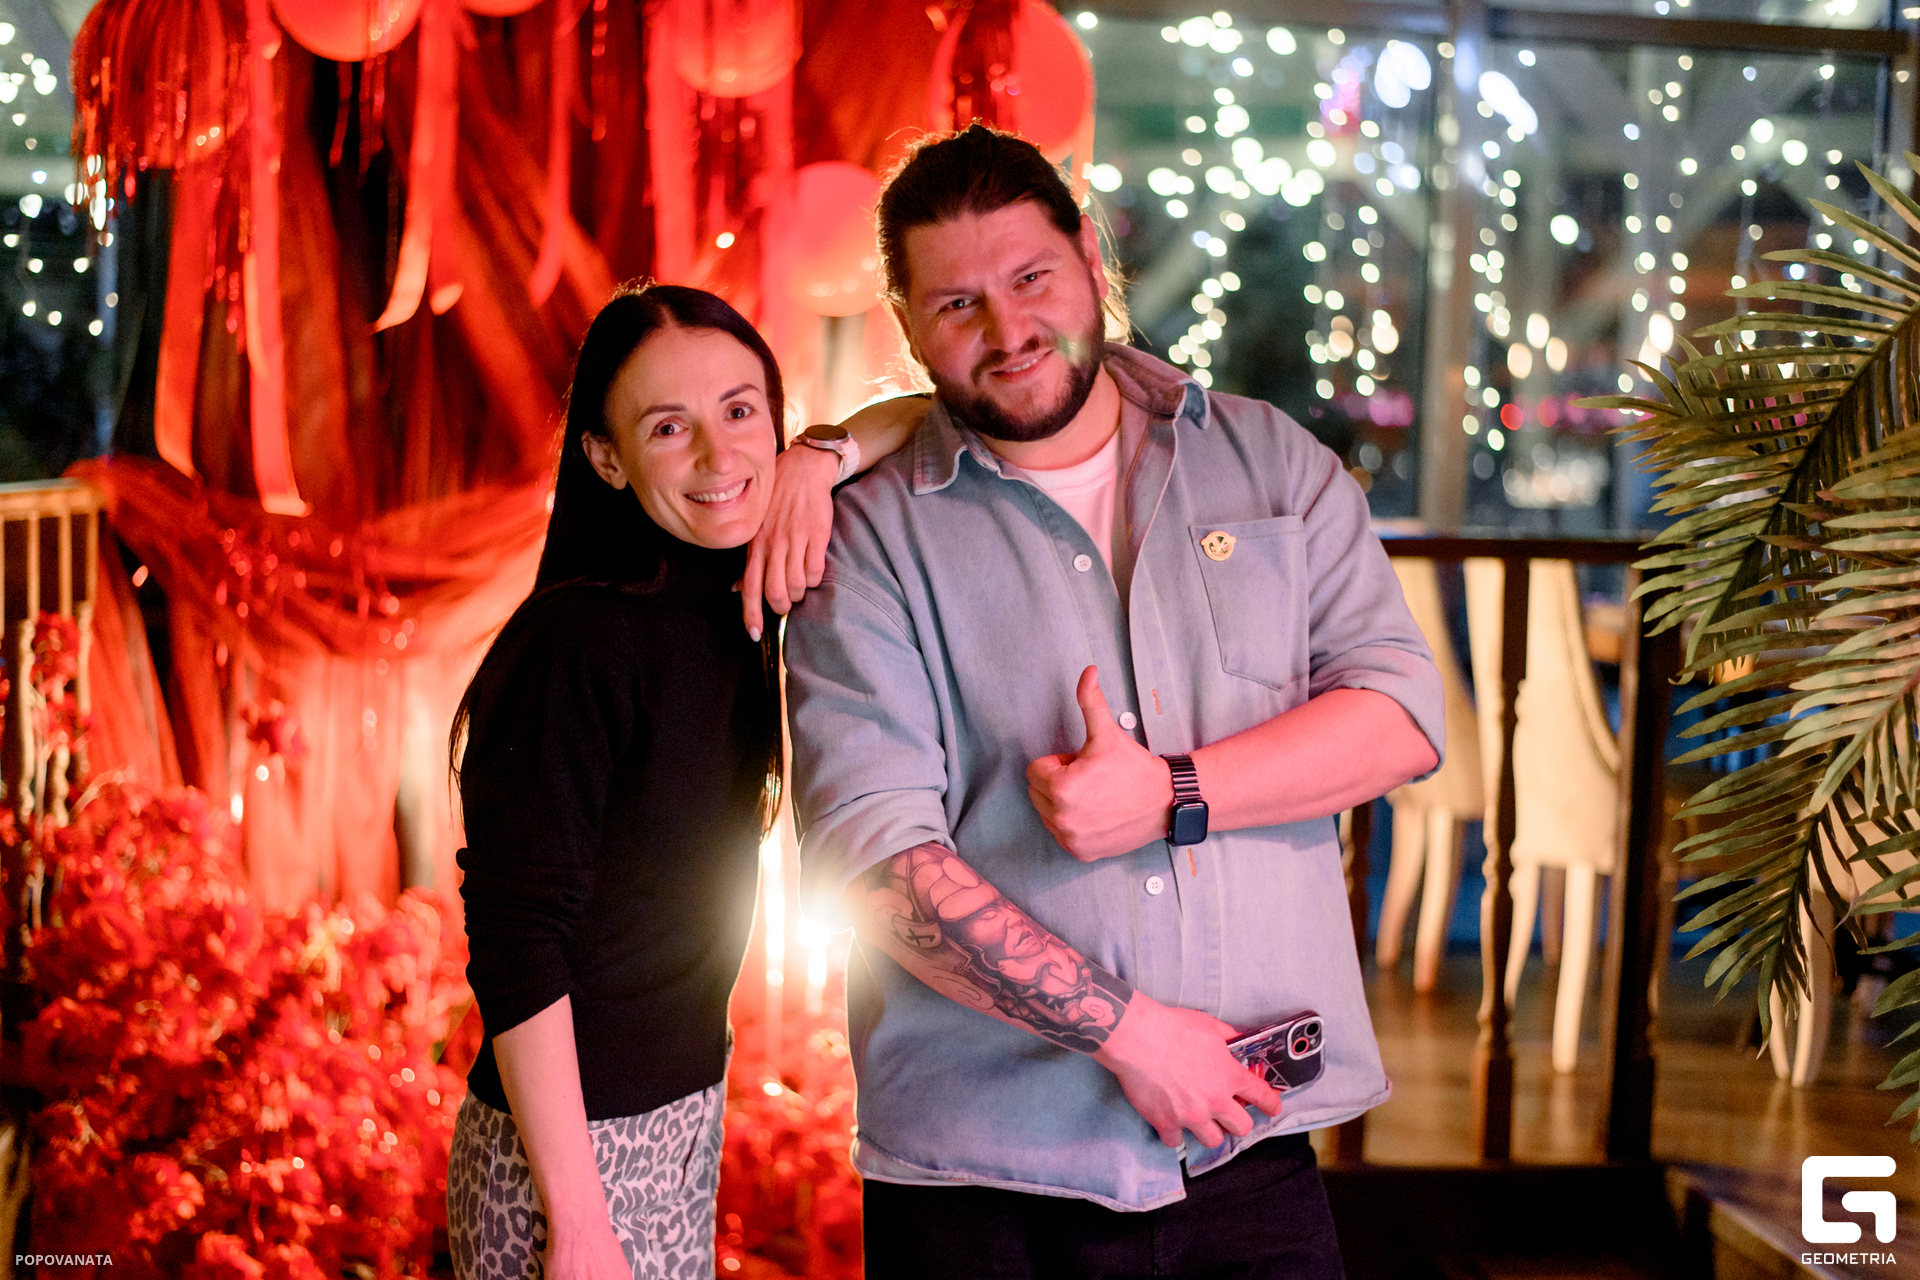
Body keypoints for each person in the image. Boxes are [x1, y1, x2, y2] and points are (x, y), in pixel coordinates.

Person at [783, 124, 1445, 1279]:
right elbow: (876, 864)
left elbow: (1397, 713)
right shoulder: (869, 534)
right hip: (984, 1180)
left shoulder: (1269, 461)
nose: (1007, 330)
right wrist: (1137, 1036)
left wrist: (1173, 791)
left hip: (1251, 1142)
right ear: (908, 327)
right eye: (956, 305)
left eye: (1031, 276)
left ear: (1090, 259)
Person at [447, 283, 790, 1280]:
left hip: (680, 1116)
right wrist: (578, 1219)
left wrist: (826, 456)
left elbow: (921, 426)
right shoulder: (579, 642)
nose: (720, 456)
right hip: (571, 1157)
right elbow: (517, 939)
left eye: (740, 410)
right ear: (606, 458)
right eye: (669, 427)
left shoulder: (741, 602)